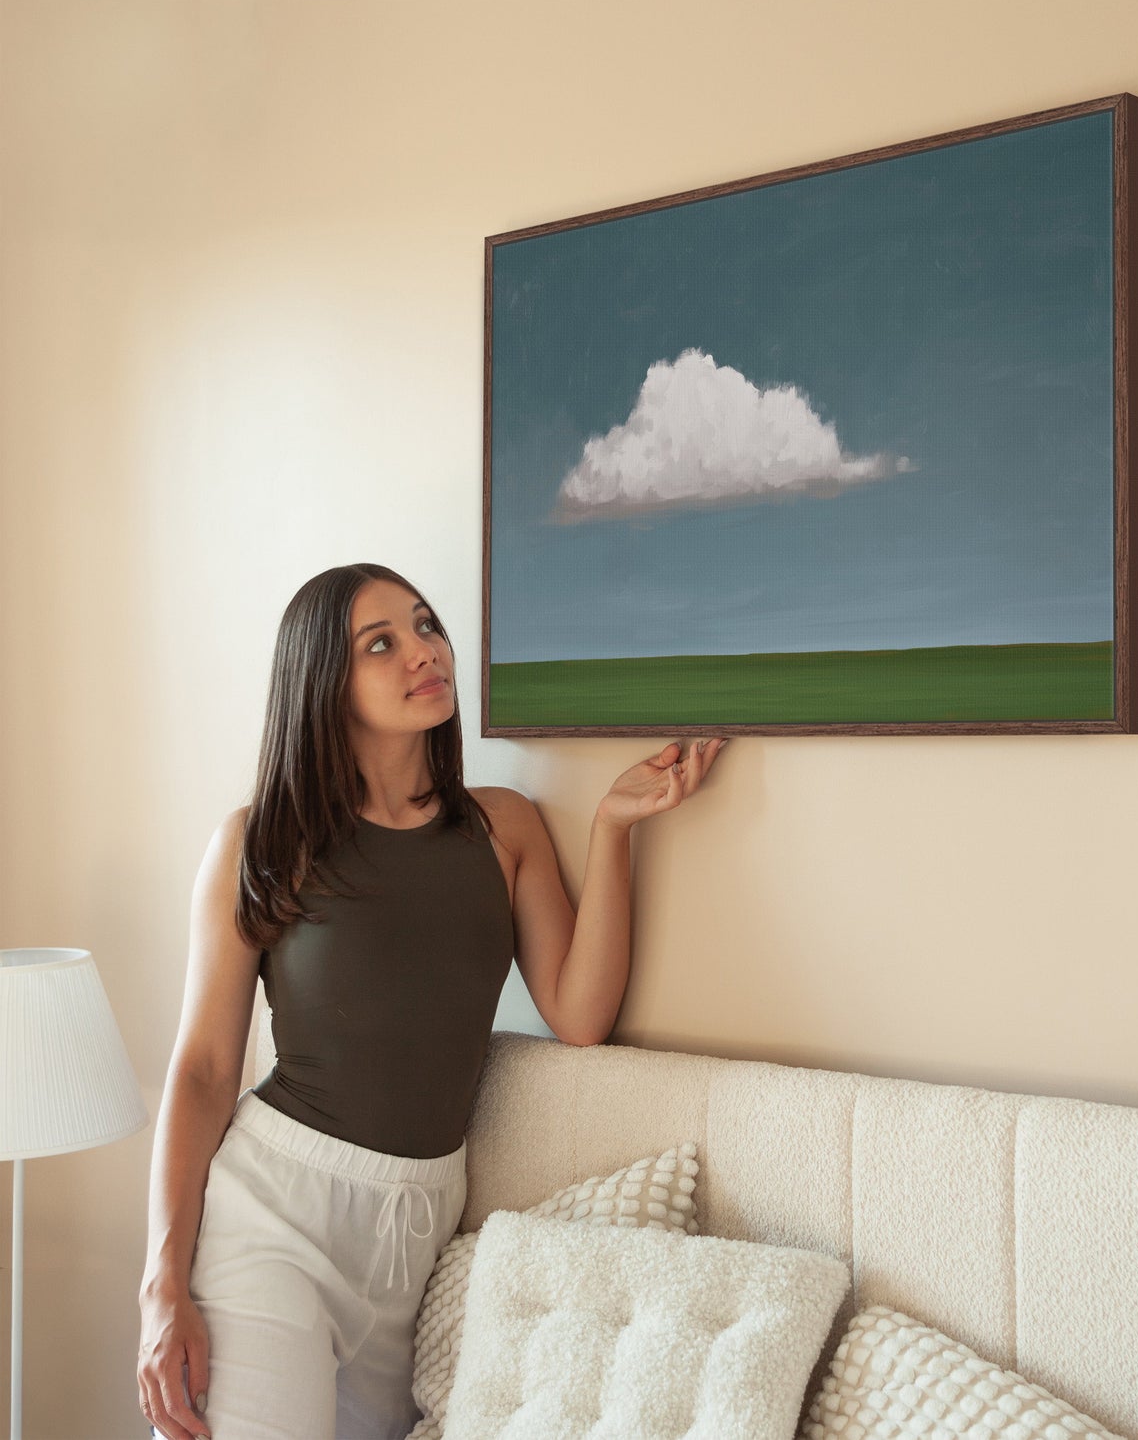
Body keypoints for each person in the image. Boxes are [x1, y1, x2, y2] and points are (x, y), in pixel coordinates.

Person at [136, 563, 726, 1440]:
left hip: (418, 1229)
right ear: (323, 682)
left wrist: (611, 828)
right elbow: (204, 1070)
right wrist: (161, 1285)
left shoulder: (502, 827)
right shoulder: (263, 841)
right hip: (273, 1216)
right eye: (380, 643)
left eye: (423, 625)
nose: (424, 650)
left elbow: (579, 1015)